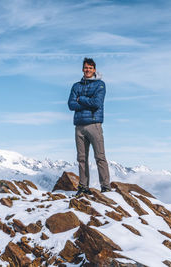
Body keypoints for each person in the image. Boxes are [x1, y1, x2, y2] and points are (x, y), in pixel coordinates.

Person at [68, 58, 111, 196]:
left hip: (94, 124)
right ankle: (83, 187)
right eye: (86, 67)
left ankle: (105, 187)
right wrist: (87, 101)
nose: (88, 70)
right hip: (79, 126)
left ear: (94, 70)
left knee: (99, 156)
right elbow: (71, 104)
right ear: (82, 69)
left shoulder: (100, 85)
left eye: (90, 68)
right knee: (81, 158)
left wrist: (81, 99)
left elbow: (97, 103)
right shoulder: (76, 86)